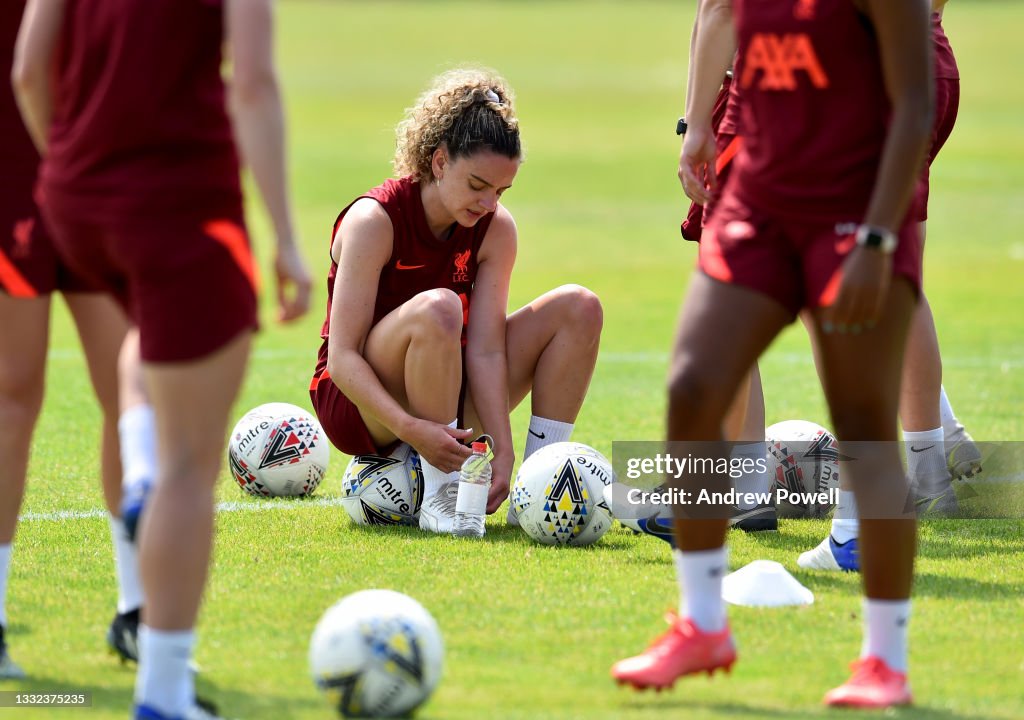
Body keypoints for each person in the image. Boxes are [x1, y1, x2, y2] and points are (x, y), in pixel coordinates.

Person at [611, 0, 932, 709]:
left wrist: (879, 238)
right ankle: (702, 623)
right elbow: (723, 13)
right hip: (759, 199)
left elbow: (916, 104)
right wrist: (699, 125)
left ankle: (885, 661)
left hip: (852, 209)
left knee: (864, 425)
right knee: (693, 385)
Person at [13, 1, 312, 718]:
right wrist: (285, 238)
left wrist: (68, 167)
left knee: (141, 333)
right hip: (180, 206)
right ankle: (164, 696)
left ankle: (142, 460)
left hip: (75, 199)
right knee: (187, 471)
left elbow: (27, 71)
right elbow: (253, 85)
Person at [310, 68, 603, 533]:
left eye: (501, 191)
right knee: (440, 308)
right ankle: (442, 493)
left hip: (448, 388)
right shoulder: (373, 220)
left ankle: (537, 485)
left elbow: (486, 350)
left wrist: (503, 449)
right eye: (477, 186)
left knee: (579, 307)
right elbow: (342, 360)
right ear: (440, 162)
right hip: (360, 403)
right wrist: (411, 429)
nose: (489, 204)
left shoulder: (496, 228)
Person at [1, 0, 141, 677]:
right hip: (35, 175)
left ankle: (137, 612)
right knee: (15, 392)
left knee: (129, 391)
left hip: (89, 178)